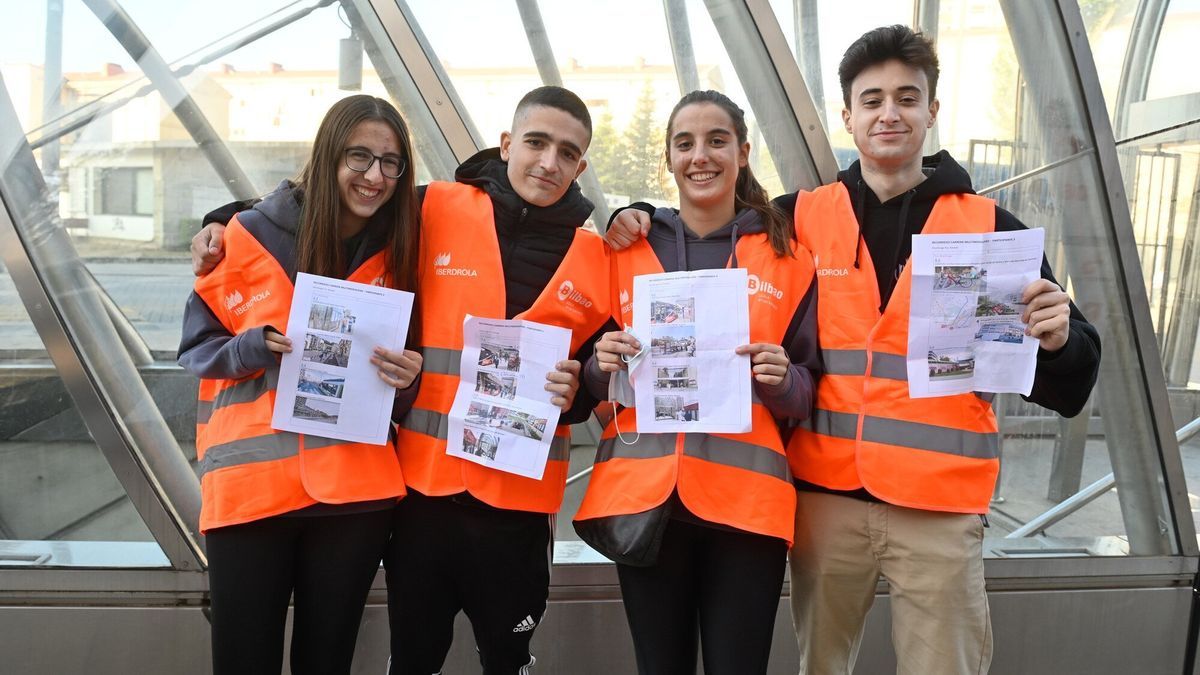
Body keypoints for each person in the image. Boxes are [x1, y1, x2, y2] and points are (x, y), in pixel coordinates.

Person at [606, 26, 1102, 675]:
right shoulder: (800, 220)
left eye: (906, 97)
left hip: (939, 513)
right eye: (872, 100)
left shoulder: (989, 230)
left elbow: (1069, 384)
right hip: (826, 507)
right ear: (848, 116)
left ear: (932, 110)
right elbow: (708, 220)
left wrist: (1060, 341)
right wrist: (636, 214)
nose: (889, 113)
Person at [191, 86, 611, 675]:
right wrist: (224, 220)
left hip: (518, 502)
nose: (549, 162)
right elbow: (330, 200)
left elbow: (596, 371)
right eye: (536, 143)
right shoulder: (433, 207)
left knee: (507, 657)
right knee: (411, 656)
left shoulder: (599, 256)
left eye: (567, 153)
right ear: (506, 144)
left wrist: (579, 390)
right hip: (420, 496)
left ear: (581, 166)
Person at [574, 90, 820, 675]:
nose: (700, 156)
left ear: (743, 152)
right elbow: (588, 379)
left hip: (748, 510)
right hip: (644, 502)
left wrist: (783, 380)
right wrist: (600, 364)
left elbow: (808, 392)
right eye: (684, 143)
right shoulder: (623, 250)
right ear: (668, 157)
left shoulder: (788, 258)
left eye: (716, 141)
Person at [177, 94, 423, 675]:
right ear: (328, 154)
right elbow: (195, 348)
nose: (374, 176)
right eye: (359, 157)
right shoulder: (245, 235)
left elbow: (402, 382)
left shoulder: (403, 250)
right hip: (251, 492)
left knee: (327, 661)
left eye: (390, 163)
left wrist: (407, 380)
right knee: (243, 659)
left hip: (353, 497)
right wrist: (250, 346)